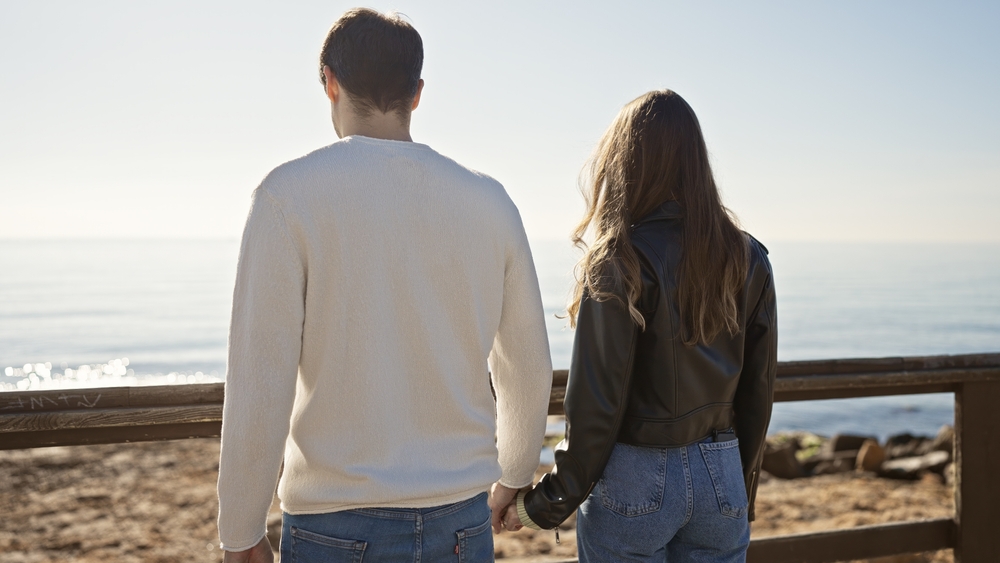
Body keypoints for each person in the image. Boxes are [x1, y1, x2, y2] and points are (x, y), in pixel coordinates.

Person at [216, 8, 552, 563]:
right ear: (417, 93)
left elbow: (260, 377)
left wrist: (241, 527)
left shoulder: (287, 196)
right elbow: (526, 362)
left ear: (329, 82)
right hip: (461, 520)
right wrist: (515, 473)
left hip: (334, 523)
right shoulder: (490, 202)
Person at [500, 90, 777, 563]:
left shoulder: (617, 261)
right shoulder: (748, 257)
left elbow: (595, 410)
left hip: (636, 478)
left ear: (624, 163)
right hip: (722, 471)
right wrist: (738, 485)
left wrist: (542, 506)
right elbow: (757, 393)